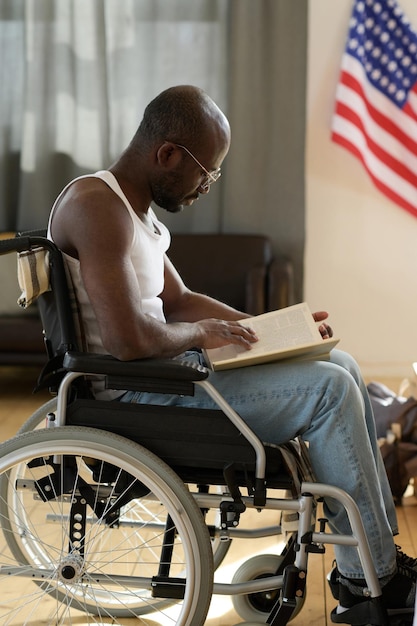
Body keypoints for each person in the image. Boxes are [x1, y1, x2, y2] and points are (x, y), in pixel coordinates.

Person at [48, 84, 416, 624]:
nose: (206, 186)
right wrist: (204, 334)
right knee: (330, 391)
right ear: (167, 153)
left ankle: (373, 563)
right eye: (206, 171)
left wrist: (272, 329)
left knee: (341, 365)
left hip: (168, 376)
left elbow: (176, 300)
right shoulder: (96, 206)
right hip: (135, 392)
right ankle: (369, 581)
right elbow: (128, 341)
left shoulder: (135, 211)